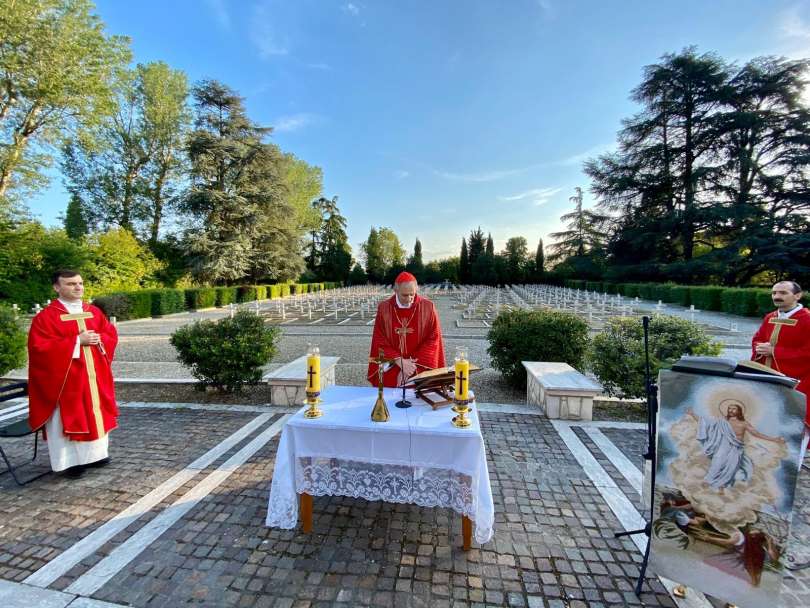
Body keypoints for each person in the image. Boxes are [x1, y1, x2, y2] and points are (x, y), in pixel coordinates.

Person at [28, 270, 118, 477]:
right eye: (71, 284)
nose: (78, 287)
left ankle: (95, 456)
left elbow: (109, 333)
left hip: (94, 377)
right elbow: (39, 348)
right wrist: (77, 341)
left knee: (96, 413)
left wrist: (99, 338)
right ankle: (69, 463)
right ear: (57, 287)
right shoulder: (46, 317)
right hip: (65, 381)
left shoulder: (93, 311)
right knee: (66, 418)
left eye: (80, 283)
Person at [367, 271, 445, 388]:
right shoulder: (384, 309)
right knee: (388, 383)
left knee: (422, 384)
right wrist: (399, 361)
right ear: (396, 290)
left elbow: (433, 338)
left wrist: (410, 366)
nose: (409, 299)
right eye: (405, 295)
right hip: (392, 362)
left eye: (412, 294)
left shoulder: (428, 307)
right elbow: (379, 339)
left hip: (420, 362)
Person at [686, 400, 785, 489]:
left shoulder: (744, 423)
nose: (731, 410)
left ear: (739, 411)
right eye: (729, 408)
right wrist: (692, 414)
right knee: (717, 462)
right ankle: (708, 481)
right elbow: (705, 423)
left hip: (736, 448)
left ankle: (722, 484)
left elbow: (756, 434)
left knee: (732, 466)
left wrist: (774, 439)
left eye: (734, 409)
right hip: (723, 446)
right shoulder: (722, 421)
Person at [752, 280, 810, 427]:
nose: (777, 296)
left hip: (798, 378)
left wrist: (775, 352)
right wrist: (759, 348)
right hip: (766, 374)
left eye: (783, 293)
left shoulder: (807, 319)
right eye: (774, 293)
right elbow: (757, 338)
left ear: (798, 296)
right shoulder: (770, 317)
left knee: (792, 417)